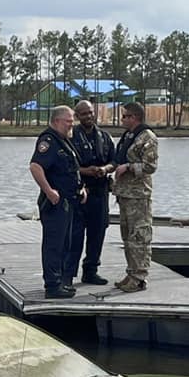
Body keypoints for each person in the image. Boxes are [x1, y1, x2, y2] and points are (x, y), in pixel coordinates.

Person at [28, 105, 83, 299]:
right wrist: (49, 191)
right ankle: (52, 285)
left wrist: (80, 188)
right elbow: (35, 166)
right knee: (54, 244)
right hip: (55, 204)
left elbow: (70, 169)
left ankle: (59, 281)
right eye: (68, 120)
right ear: (57, 121)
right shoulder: (49, 141)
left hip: (69, 201)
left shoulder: (64, 141)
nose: (72, 124)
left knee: (65, 244)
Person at [111, 102, 160, 292]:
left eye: (125, 116)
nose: (122, 119)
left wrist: (129, 167)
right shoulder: (129, 136)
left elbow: (151, 166)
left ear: (134, 117)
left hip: (139, 195)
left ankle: (140, 277)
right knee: (128, 236)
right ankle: (131, 273)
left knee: (139, 236)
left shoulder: (147, 137)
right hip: (125, 194)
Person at [69, 100, 116, 285]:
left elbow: (115, 161)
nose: (88, 116)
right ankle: (68, 274)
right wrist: (86, 171)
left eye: (90, 112)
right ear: (77, 116)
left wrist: (105, 169)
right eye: (84, 114)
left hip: (100, 191)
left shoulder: (105, 137)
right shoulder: (71, 137)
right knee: (75, 235)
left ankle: (91, 271)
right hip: (80, 193)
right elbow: (67, 166)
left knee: (98, 233)